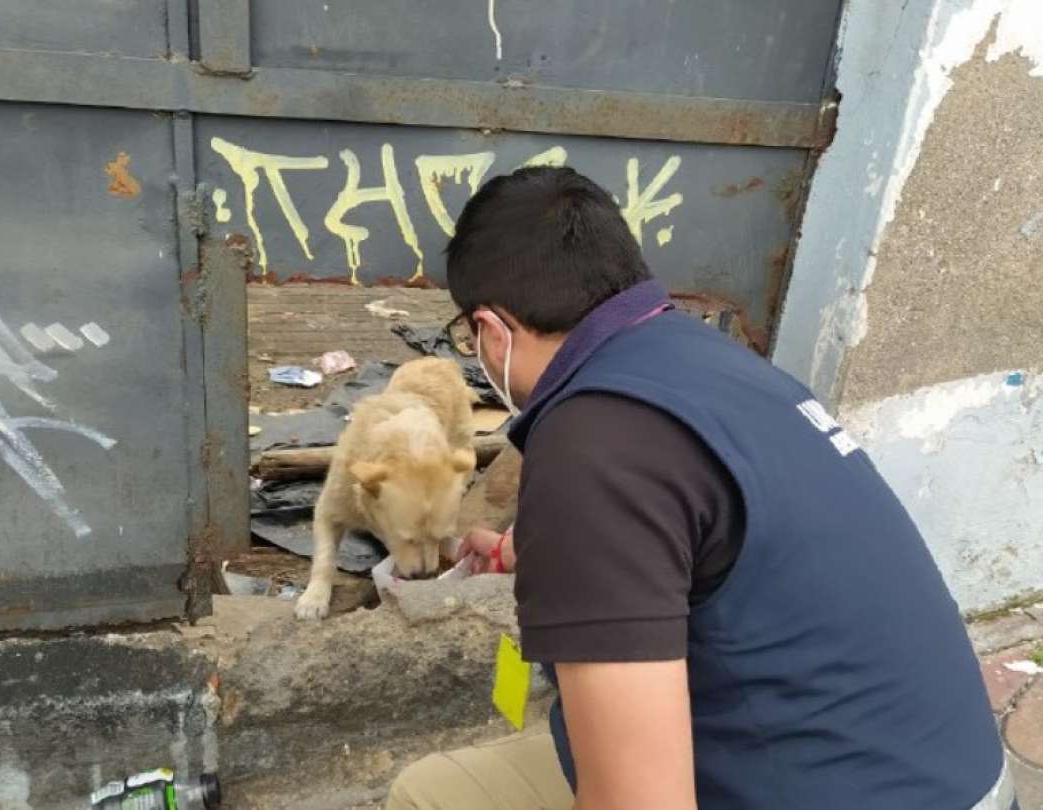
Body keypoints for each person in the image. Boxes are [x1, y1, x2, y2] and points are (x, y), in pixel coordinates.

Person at [385, 167, 1014, 810]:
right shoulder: (707, 361)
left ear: (492, 331)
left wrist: (575, 526)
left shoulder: (590, 444)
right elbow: (713, 529)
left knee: (427, 794)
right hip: (957, 779)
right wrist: (544, 551)